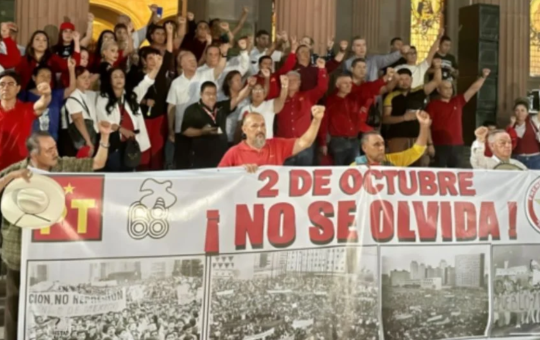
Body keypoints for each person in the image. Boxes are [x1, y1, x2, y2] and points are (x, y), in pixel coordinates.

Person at [0, 121, 112, 340]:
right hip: (19, 249)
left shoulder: (63, 165)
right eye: (49, 150)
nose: (55, 153)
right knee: (15, 301)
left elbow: (98, 163)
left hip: (53, 249)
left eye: (55, 147)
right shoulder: (17, 169)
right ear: (33, 154)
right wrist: (11, 178)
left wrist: (105, 137)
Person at [219, 106, 325, 172]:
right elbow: (217, 178)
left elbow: (305, 142)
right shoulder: (234, 153)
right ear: (244, 129)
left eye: (262, 125)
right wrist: (239, 171)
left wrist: (317, 120)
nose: (260, 129)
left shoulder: (277, 145)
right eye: (254, 126)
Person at [427, 68, 490, 168]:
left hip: (457, 144)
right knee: (438, 172)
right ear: (438, 90)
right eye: (445, 88)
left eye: (450, 88)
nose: (449, 90)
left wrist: (483, 77)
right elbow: (426, 126)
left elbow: (473, 89)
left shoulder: (457, 101)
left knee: (457, 173)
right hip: (439, 144)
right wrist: (429, 144)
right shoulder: (432, 105)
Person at [181, 81, 251, 168]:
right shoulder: (192, 110)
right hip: (202, 159)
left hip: (222, 158)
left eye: (214, 93)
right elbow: (185, 131)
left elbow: (238, 98)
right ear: (201, 94)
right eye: (208, 93)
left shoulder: (220, 107)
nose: (211, 96)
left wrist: (249, 85)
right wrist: (202, 132)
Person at [0, 70, 52, 170]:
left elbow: (42, 104)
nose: (6, 87)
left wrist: (46, 95)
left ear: (18, 88)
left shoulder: (26, 109)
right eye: (2, 84)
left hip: (20, 168)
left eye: (10, 84)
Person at [352, 110, 431, 166]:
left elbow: (417, 151)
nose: (381, 148)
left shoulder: (392, 161)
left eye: (383, 144)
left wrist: (424, 126)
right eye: (376, 144)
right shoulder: (355, 167)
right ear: (364, 147)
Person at [508, 99, 540, 169]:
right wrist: (511, 124)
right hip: (517, 159)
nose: (520, 113)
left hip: (535, 159)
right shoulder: (511, 126)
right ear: (514, 112)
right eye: (517, 110)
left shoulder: (533, 121)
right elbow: (506, 139)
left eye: (523, 110)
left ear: (527, 112)